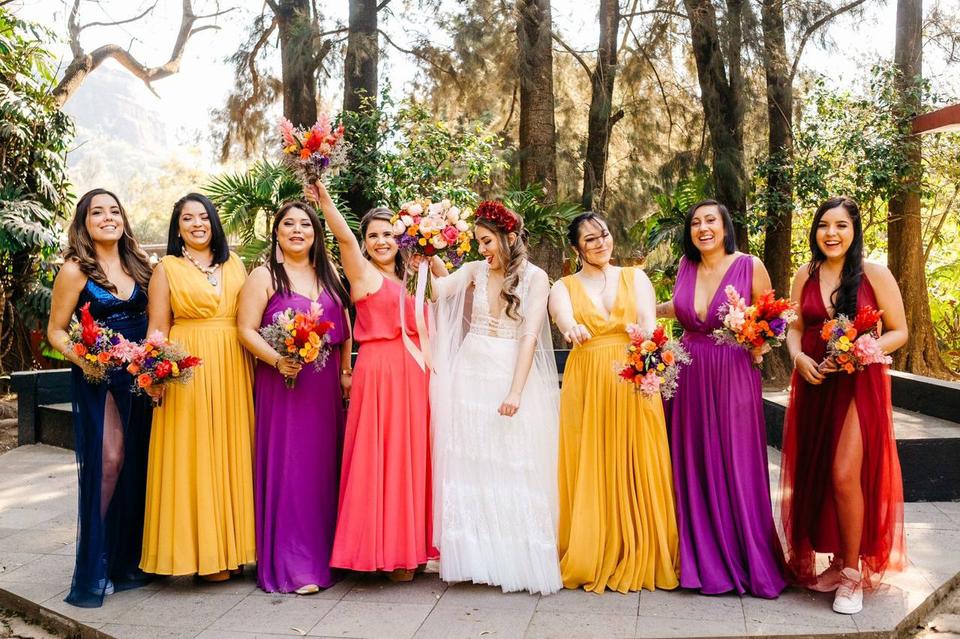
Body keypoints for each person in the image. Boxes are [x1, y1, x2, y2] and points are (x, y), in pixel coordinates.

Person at [782, 196, 907, 615]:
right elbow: (795, 329)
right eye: (823, 225)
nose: (831, 234)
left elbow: (899, 331)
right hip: (816, 380)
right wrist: (798, 358)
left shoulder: (874, 273)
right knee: (818, 471)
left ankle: (852, 575)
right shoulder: (806, 273)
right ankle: (836, 560)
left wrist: (860, 350)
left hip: (859, 383)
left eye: (840, 226)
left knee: (843, 473)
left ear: (854, 231)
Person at [430, 201, 561, 595]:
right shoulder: (473, 270)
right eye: (478, 242)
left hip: (508, 369)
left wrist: (516, 389)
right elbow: (439, 291)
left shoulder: (537, 278)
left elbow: (530, 335)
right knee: (471, 463)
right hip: (471, 371)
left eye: (487, 241)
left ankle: (513, 557)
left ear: (508, 237)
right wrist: (426, 249)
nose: (482, 249)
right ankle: (475, 559)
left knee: (511, 463)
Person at [657, 199, 787, 598]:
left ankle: (744, 557)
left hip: (732, 375)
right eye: (695, 222)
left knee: (733, 460)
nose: (702, 228)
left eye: (710, 220)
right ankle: (698, 561)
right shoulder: (685, 266)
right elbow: (676, 309)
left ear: (725, 225)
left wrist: (760, 345)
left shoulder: (750, 265)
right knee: (691, 463)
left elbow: (772, 320)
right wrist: (634, 305)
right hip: (688, 376)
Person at [307, 180, 435, 581]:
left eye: (389, 234)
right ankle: (384, 551)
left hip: (416, 376)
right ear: (364, 243)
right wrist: (323, 196)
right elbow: (342, 236)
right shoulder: (362, 274)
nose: (382, 241)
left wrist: (431, 248)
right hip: (379, 374)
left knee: (412, 458)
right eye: (373, 236)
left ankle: (411, 548)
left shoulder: (415, 279)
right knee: (382, 457)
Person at [548, 212, 678, 593]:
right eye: (589, 239)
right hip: (587, 381)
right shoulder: (564, 285)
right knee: (593, 458)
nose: (600, 242)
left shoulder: (635, 277)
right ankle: (593, 548)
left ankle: (642, 547)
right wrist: (570, 327)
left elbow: (650, 328)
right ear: (577, 248)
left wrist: (649, 374)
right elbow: (563, 316)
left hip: (633, 380)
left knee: (638, 459)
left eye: (603, 234)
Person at [237, 201, 352, 594]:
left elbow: (346, 326)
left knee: (323, 468)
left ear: (317, 233)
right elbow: (246, 330)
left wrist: (345, 371)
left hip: (324, 390)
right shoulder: (264, 276)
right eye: (289, 224)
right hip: (284, 386)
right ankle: (294, 564)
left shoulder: (330, 273)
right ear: (277, 232)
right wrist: (278, 359)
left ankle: (330, 555)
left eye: (306, 224)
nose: (298, 230)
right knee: (291, 469)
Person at [140, 193, 256, 581]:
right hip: (189, 368)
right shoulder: (167, 269)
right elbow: (157, 328)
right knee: (198, 455)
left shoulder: (235, 263)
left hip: (234, 367)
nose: (196, 224)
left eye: (203, 217)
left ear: (214, 222)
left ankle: (236, 548)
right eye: (187, 218)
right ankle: (205, 555)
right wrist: (155, 377)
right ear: (177, 227)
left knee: (232, 450)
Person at [47, 189, 154, 607]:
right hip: (99, 376)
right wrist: (85, 360)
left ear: (123, 219)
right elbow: (56, 331)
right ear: (84, 222)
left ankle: (126, 557)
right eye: (97, 212)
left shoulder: (140, 264)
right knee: (109, 461)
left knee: (137, 461)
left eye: (114, 211)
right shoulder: (76, 270)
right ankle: (95, 562)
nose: (107, 217)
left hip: (140, 375)